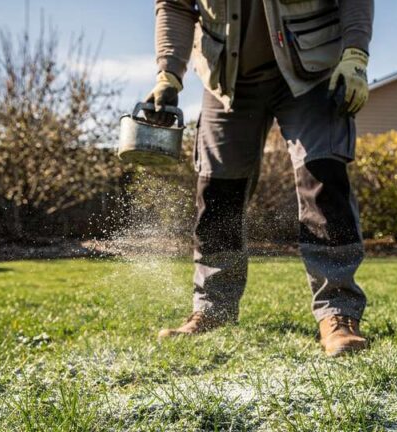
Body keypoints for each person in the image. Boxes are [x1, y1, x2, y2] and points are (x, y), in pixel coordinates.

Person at [149, 0, 374, 357]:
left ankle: (338, 314)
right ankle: (212, 309)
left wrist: (355, 54)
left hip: (313, 71)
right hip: (228, 77)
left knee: (323, 179)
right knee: (218, 190)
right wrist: (169, 72)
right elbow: (175, 5)